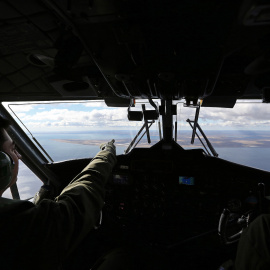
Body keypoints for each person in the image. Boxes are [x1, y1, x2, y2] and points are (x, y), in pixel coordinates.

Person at [0, 116, 117, 270]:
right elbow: (78, 202)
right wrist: (107, 152)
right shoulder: (19, 221)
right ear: (3, 162)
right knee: (120, 257)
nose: (19, 156)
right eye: (13, 149)